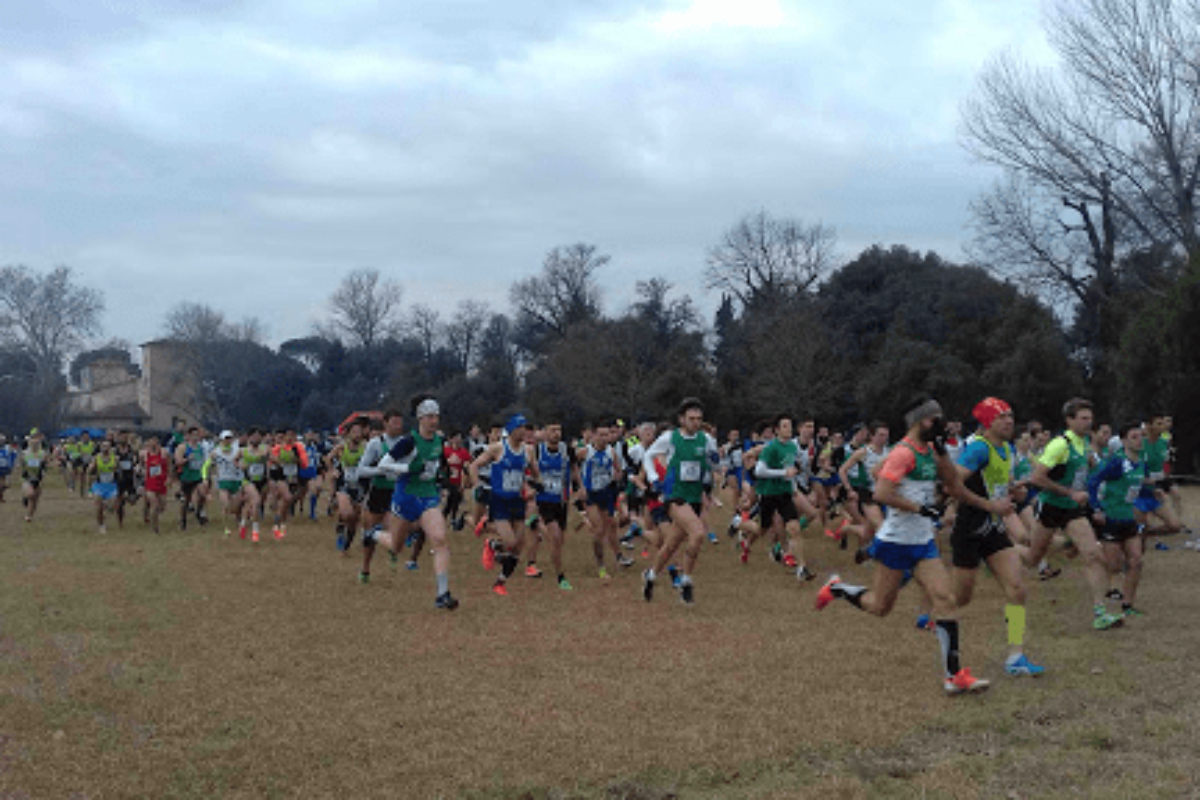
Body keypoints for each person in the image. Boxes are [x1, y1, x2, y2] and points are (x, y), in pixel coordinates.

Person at [816, 397, 990, 695]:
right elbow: (882, 493)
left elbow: (953, 483)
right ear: (923, 421)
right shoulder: (903, 453)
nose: (942, 425)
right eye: (936, 420)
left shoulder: (928, 451)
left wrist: (943, 454)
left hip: (923, 542)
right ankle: (837, 588)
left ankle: (954, 675)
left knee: (944, 599)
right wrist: (920, 508)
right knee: (879, 607)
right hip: (895, 541)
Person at [950, 398, 1045, 676]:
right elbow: (954, 484)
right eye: (1002, 417)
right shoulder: (979, 448)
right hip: (968, 530)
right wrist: (991, 505)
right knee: (961, 598)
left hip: (993, 529)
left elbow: (995, 486)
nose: (1009, 421)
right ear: (987, 422)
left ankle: (1015, 657)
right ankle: (935, 611)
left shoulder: (1006, 448)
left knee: (1017, 589)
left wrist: (1012, 491)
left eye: (1011, 416)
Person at [1026, 398, 1125, 631]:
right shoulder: (1059, 445)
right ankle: (1004, 554)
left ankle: (1100, 613)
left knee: (1093, 554)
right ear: (1069, 420)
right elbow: (1036, 478)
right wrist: (1069, 492)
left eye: (1090, 418)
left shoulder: (1084, 444)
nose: (1088, 422)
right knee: (1032, 558)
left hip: (1072, 509)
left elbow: (1091, 471)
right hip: (1050, 507)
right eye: (1083, 418)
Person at [374, 394, 459, 610]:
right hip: (405, 497)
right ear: (420, 418)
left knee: (439, 540)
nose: (434, 420)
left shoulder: (440, 441)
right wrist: (407, 469)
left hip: (428, 496)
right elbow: (383, 465)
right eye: (430, 416)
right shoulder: (408, 442)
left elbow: (436, 465)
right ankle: (373, 534)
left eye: (436, 416)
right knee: (396, 547)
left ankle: (442, 594)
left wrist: (443, 476)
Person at [640, 397, 721, 605]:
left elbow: (715, 466)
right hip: (674, 495)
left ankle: (650, 575)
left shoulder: (707, 439)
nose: (695, 422)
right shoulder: (670, 438)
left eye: (699, 419)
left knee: (671, 544)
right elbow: (648, 456)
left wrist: (715, 464)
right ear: (682, 419)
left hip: (694, 496)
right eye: (691, 418)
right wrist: (654, 479)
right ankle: (685, 581)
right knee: (698, 532)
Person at [1088, 422, 1152, 618]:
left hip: (1128, 518)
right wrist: (1096, 508)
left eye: (1141, 436)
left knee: (1137, 561)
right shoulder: (1116, 462)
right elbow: (1093, 481)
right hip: (1111, 518)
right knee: (1113, 565)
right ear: (1123, 440)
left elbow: (1135, 488)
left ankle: (1127, 604)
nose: (1139, 440)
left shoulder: (1141, 463)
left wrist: (1152, 491)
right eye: (1134, 436)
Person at [471, 414, 540, 596]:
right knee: (510, 542)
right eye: (520, 427)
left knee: (518, 547)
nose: (523, 431)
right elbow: (473, 466)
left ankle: (500, 582)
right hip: (499, 500)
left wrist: (533, 485)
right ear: (511, 429)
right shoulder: (497, 449)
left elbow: (534, 472)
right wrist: (477, 486)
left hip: (517, 500)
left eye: (525, 427)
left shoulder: (528, 450)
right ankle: (492, 544)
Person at [578, 419, 636, 579]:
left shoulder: (612, 452)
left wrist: (617, 476)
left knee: (610, 526)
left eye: (607, 434)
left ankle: (617, 556)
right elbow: (572, 466)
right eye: (601, 434)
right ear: (594, 435)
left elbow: (618, 470)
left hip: (606, 493)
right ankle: (601, 566)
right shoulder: (585, 451)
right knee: (599, 530)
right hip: (591, 494)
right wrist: (579, 486)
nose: (604, 437)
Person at [533, 420, 575, 590]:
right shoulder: (537, 451)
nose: (556, 433)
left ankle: (537, 525)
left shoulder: (566, 451)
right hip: (543, 500)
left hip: (560, 501)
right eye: (552, 430)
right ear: (544, 432)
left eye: (558, 430)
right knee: (555, 536)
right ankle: (561, 576)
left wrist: (580, 489)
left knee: (558, 541)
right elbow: (526, 470)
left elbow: (574, 470)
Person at [87, 440, 120, 534]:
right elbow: (89, 471)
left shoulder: (115, 458)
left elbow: (119, 471)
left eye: (107, 446)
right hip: (99, 485)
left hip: (111, 485)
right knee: (98, 507)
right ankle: (101, 525)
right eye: (103, 446)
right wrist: (92, 467)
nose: (105, 448)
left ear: (110, 448)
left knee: (113, 506)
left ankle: (106, 508)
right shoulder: (96, 458)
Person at [18, 430, 49, 523]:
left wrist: (45, 467)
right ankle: (26, 498)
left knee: (35, 499)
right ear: (29, 444)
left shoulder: (42, 454)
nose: (34, 445)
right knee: (31, 494)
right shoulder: (25, 454)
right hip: (27, 478)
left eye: (37, 443)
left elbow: (45, 467)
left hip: (38, 479)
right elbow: (21, 465)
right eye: (32, 443)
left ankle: (29, 515)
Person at [141, 436, 170, 534]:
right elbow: (141, 465)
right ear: (148, 443)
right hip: (150, 482)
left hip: (161, 482)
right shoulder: (144, 453)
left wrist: (169, 478)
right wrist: (141, 471)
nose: (153, 443)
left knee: (162, 505)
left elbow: (169, 466)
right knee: (155, 505)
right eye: (151, 441)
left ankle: (152, 515)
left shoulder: (164, 453)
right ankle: (155, 526)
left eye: (155, 441)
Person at [0, 433, 17, 503]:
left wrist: (13, 465)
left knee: (6, 484)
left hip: (5, 467)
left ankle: (1, 496)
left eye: (2, 440)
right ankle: (1, 497)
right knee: (2, 483)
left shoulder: (8, 448)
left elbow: (13, 455)